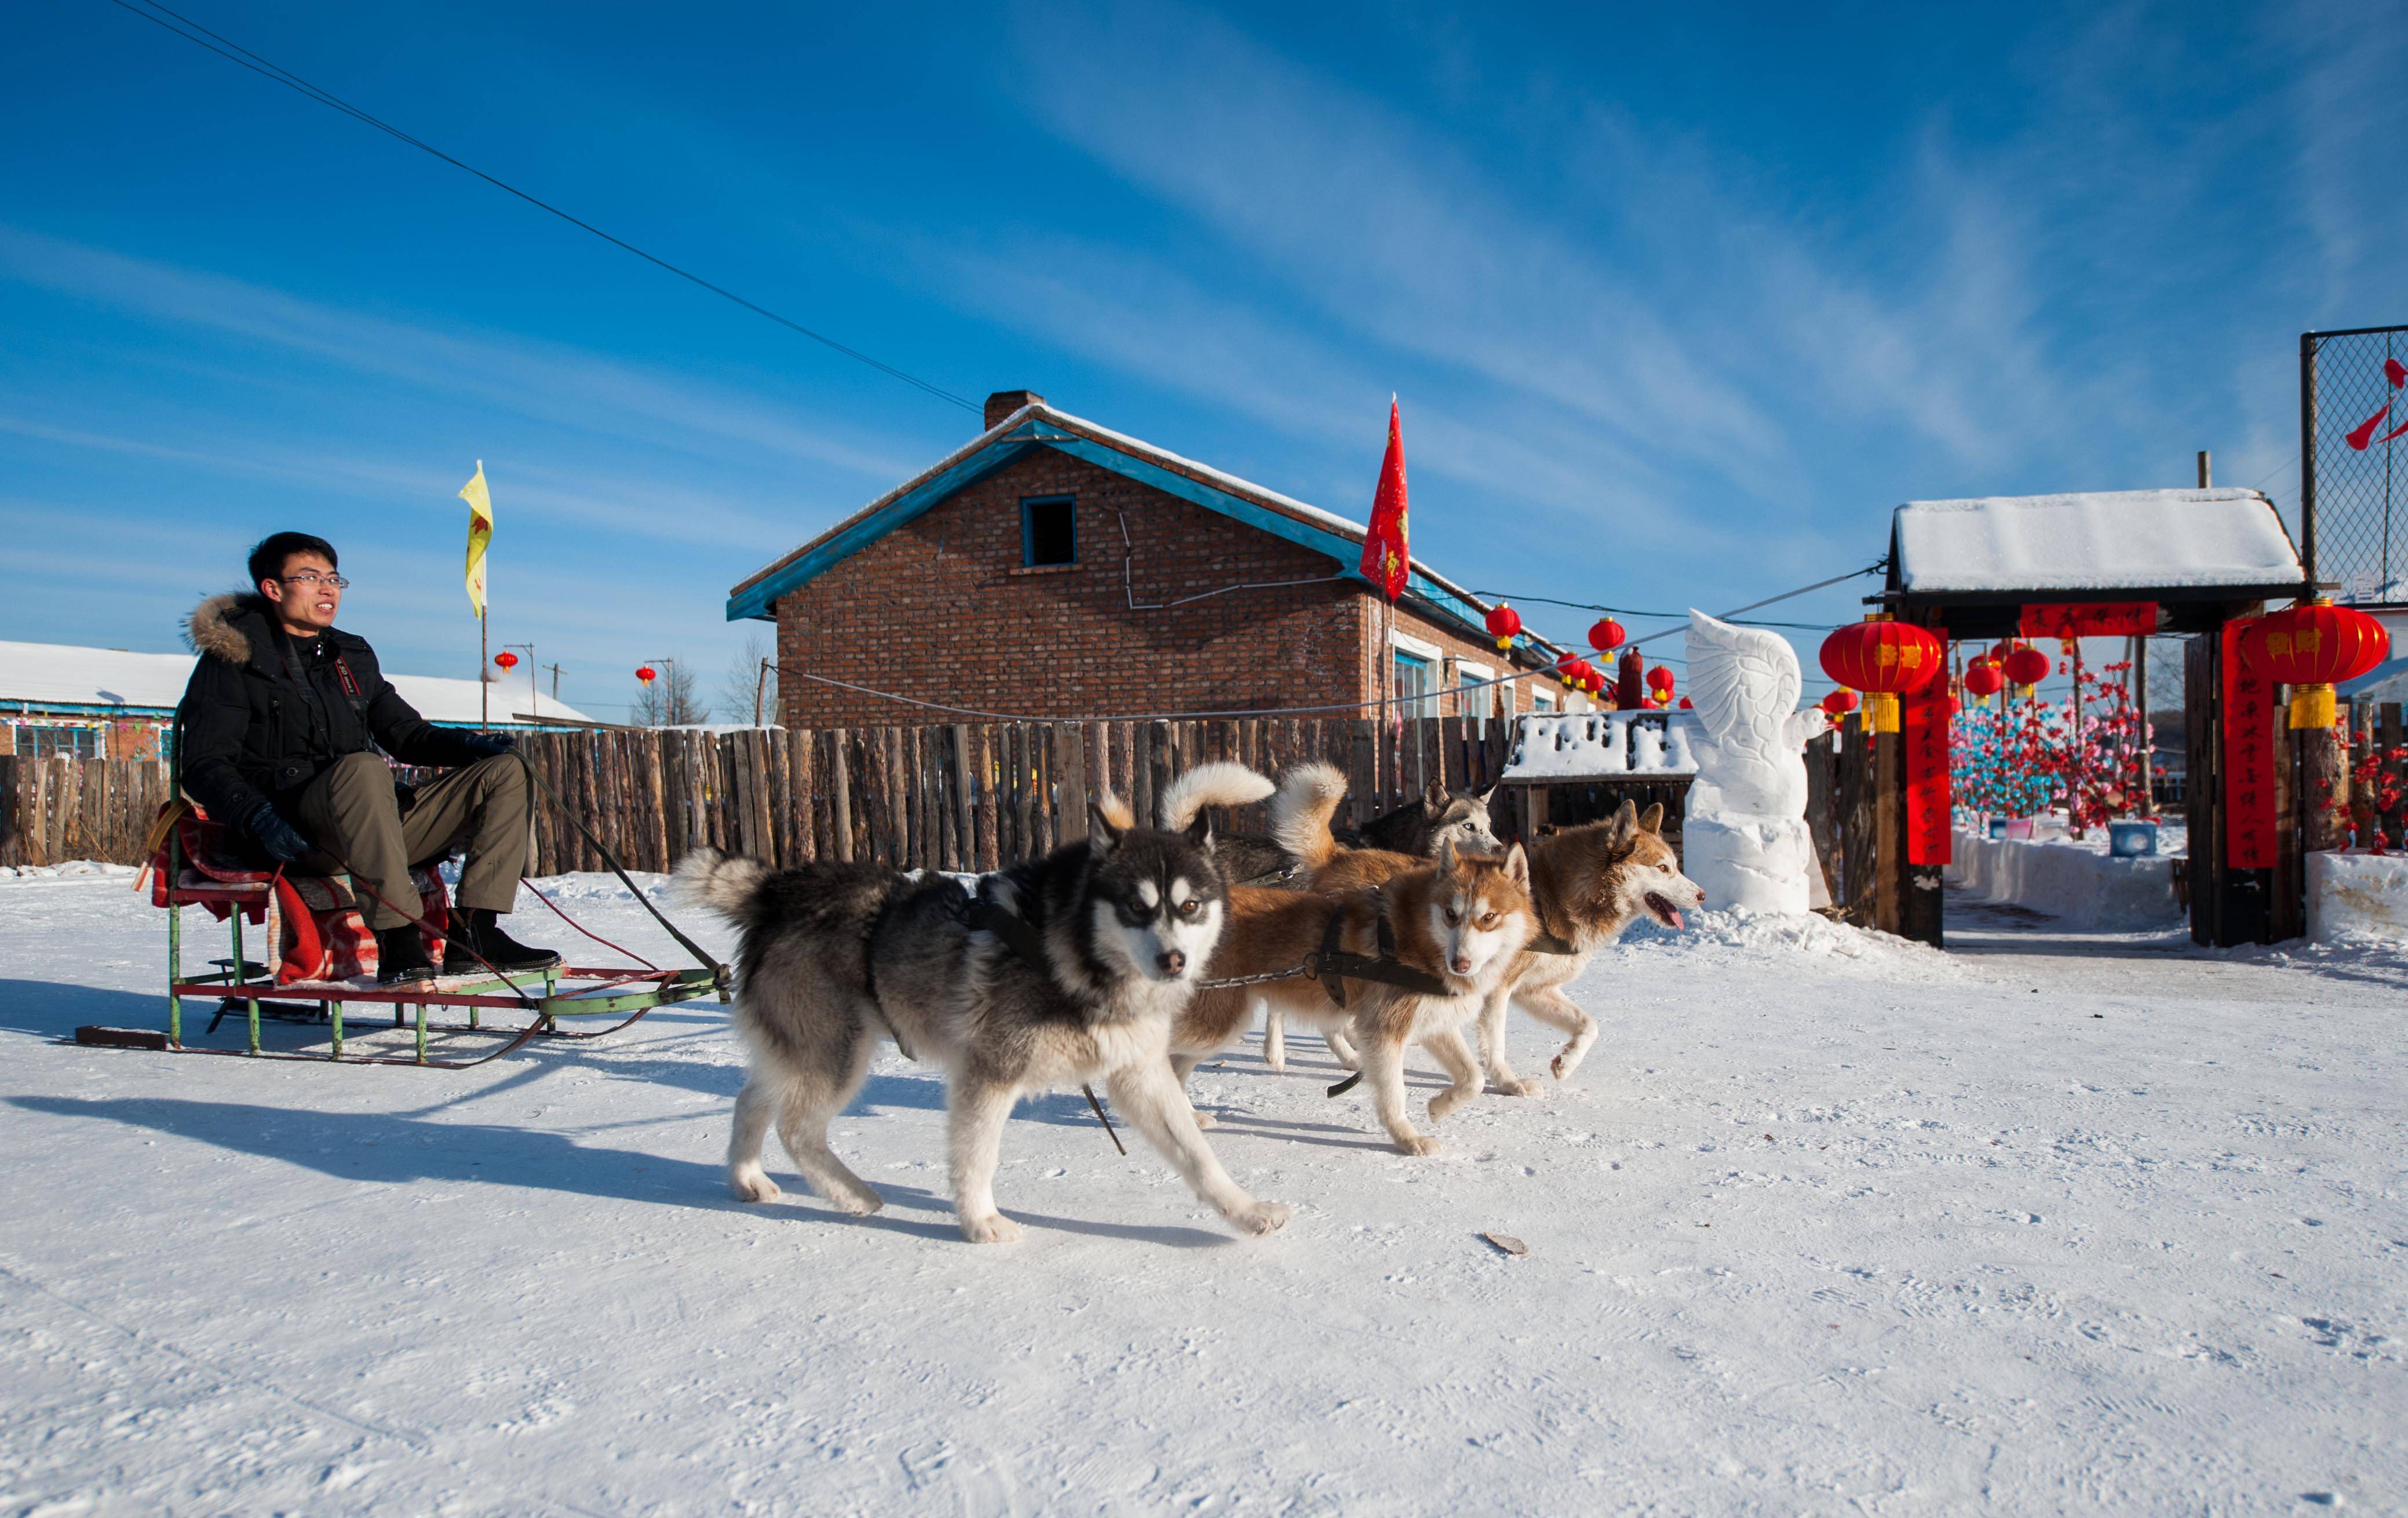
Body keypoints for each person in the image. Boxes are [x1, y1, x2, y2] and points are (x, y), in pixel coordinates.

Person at [177, 531, 560, 987]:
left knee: (505, 771)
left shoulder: (350, 656)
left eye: (334, 578)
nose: (327, 589)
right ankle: (398, 939)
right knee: (362, 767)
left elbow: (405, 733)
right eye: (310, 577)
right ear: (273, 589)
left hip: (374, 824)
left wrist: (472, 746)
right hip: (298, 832)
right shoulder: (235, 660)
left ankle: (477, 931)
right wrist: (256, 815)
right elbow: (202, 763)